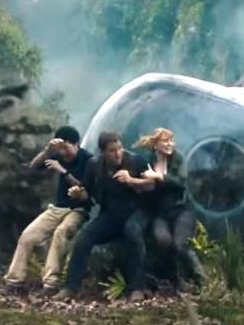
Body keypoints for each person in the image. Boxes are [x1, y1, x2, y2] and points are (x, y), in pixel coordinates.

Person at [57, 131, 154, 302]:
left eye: (119, 149)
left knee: (132, 231)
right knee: (84, 238)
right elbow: (86, 192)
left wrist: (131, 180)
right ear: (103, 152)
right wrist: (78, 193)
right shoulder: (94, 165)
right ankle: (70, 288)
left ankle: (137, 287)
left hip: (137, 211)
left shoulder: (135, 160)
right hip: (111, 214)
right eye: (112, 151)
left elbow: (152, 185)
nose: (117, 154)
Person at [3, 126, 92, 296]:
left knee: (61, 233)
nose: (63, 152)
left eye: (66, 147)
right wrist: (48, 151)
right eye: (60, 148)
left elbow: (84, 189)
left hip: (78, 209)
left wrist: (63, 171)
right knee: (28, 236)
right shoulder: (58, 156)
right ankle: (14, 281)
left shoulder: (88, 160)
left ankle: (51, 284)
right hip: (58, 208)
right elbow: (33, 167)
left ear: (76, 144)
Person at [135, 128, 206, 290]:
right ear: (156, 145)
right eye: (165, 141)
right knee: (163, 240)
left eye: (171, 141)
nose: (170, 144)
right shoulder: (149, 162)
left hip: (182, 209)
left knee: (180, 244)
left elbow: (180, 183)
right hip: (160, 213)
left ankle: (201, 279)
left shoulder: (179, 159)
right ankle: (176, 279)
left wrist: (159, 177)